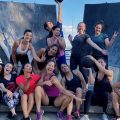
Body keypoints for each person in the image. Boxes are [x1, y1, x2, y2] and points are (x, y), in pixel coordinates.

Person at [81, 56, 113, 120]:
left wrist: (94, 60)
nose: (100, 63)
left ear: (105, 64)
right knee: (89, 92)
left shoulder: (110, 72)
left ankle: (104, 114)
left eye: (102, 62)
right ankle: (85, 115)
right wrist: (90, 70)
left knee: (105, 93)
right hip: (96, 98)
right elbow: (91, 82)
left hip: (105, 100)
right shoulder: (95, 73)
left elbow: (102, 70)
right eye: (99, 62)